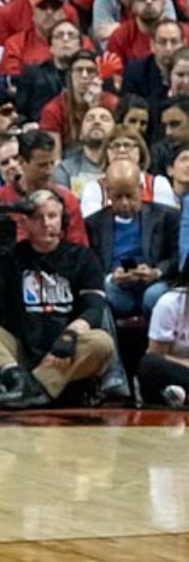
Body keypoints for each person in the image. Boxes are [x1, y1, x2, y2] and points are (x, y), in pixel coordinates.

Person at [0, 190, 115, 409]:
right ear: (25, 224)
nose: (46, 224)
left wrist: (70, 335)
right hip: (17, 351)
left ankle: (31, 387)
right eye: (38, 218)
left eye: (53, 216)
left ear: (63, 219)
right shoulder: (11, 256)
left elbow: (94, 307)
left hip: (62, 353)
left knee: (102, 342)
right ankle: (18, 377)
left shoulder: (83, 257)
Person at [84, 159, 180, 317]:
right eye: (117, 197)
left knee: (154, 296)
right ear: (108, 193)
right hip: (115, 284)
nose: (125, 203)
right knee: (107, 290)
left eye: (130, 196)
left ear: (141, 189)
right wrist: (111, 276)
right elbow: (90, 264)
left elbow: (177, 256)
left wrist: (156, 272)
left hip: (155, 281)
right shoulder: (94, 223)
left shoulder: (166, 217)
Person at [0, 129, 89, 247]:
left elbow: (78, 249)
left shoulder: (68, 201)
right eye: (42, 165)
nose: (49, 171)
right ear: (22, 162)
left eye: (52, 163)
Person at [79, 125, 178, 217]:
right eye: (115, 146)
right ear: (107, 152)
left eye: (127, 145)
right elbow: (91, 225)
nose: (122, 150)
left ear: (140, 152)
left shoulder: (158, 184)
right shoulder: (93, 188)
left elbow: (166, 222)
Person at [138, 258, 189, 406]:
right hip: (175, 372)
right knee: (149, 365)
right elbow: (156, 355)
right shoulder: (169, 304)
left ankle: (182, 396)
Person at [53, 105, 114, 196]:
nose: (97, 122)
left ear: (115, 131)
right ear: (80, 133)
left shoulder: (125, 169)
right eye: (90, 119)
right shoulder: (65, 169)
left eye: (104, 119)